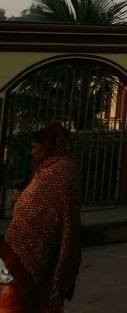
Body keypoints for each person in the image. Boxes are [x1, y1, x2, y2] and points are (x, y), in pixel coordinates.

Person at [0, 125, 81, 313]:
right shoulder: (54, 168)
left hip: (37, 248)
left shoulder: (59, 170)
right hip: (35, 246)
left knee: (22, 298)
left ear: (48, 146)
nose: (32, 151)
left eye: (36, 146)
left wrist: (21, 201)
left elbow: (41, 208)